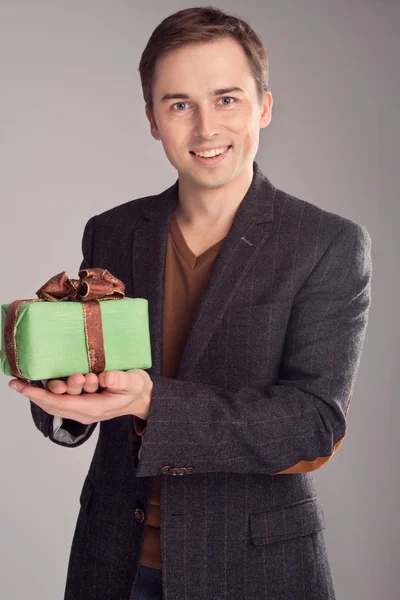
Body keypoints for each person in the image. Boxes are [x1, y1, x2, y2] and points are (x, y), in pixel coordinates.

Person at [9, 6, 372, 600]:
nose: (205, 128)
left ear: (265, 107)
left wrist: (153, 401)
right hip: (113, 561)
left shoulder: (326, 243)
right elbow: (91, 379)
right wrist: (65, 402)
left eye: (226, 99)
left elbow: (313, 423)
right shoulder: (112, 231)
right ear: (153, 120)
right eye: (179, 104)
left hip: (253, 567)